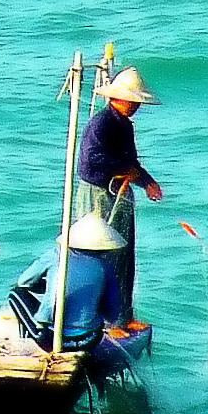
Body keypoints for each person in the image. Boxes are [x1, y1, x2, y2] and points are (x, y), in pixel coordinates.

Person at [75, 65, 161, 322]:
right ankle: (103, 319)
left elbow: (130, 162)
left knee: (124, 254)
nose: (136, 105)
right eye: (132, 100)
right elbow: (92, 159)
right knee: (103, 254)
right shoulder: (101, 124)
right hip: (99, 195)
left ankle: (122, 315)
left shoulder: (124, 125)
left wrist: (147, 182)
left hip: (119, 194)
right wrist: (125, 170)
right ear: (117, 98)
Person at [7, 212, 126, 352]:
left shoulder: (56, 255)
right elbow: (112, 313)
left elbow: (24, 282)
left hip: (54, 340)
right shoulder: (105, 267)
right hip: (90, 339)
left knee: (15, 293)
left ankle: (26, 337)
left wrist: (46, 286)